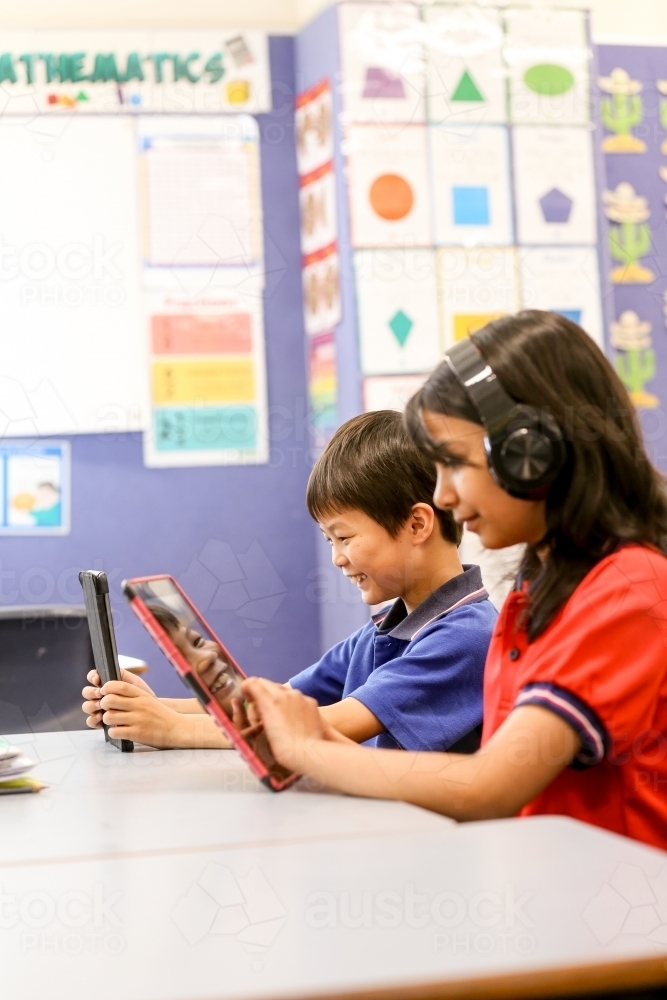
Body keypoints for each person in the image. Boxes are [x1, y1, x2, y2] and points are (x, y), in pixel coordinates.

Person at [240, 311, 667, 851]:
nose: (442, 496)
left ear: (531, 456)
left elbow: (492, 786)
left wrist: (309, 751)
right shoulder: (541, 592)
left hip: (619, 913)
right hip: (553, 888)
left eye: (454, 464)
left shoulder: (630, 589)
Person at [82, 410, 496, 753]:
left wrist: (173, 729)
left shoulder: (465, 636)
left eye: (344, 537)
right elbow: (276, 704)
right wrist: (152, 709)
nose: (336, 558)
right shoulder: (384, 630)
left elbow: (331, 723)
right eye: (329, 541)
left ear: (417, 523)